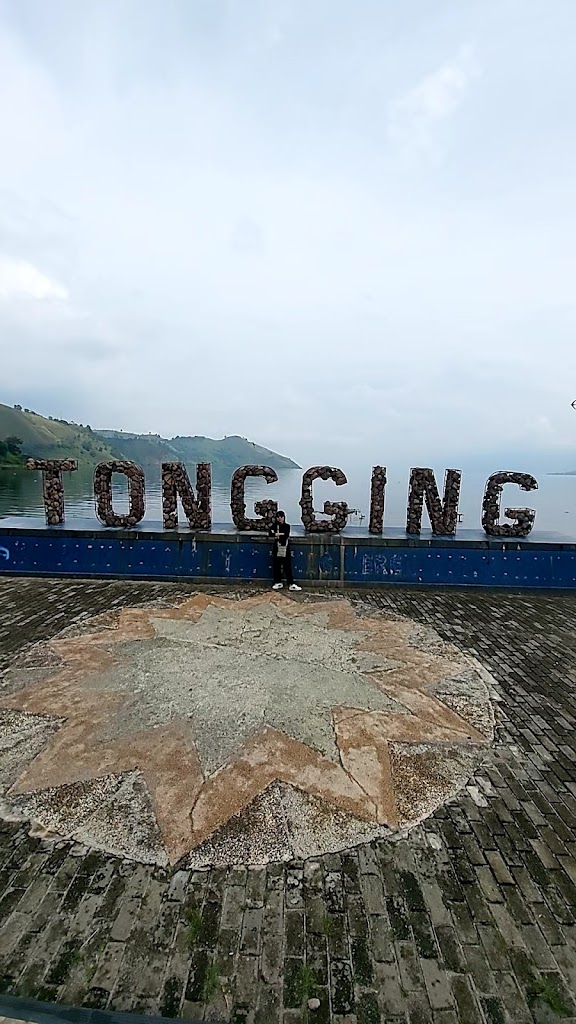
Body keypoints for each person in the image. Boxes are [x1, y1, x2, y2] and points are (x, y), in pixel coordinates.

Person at [269, 510, 302, 591]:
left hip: (285, 548)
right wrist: (279, 534)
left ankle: (290, 583)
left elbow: (286, 535)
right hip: (276, 548)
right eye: (278, 517)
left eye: (281, 517)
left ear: (284, 517)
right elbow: (270, 533)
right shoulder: (274, 526)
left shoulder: (287, 526)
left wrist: (277, 534)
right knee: (276, 566)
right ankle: (278, 582)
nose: (280, 519)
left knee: (287, 566)